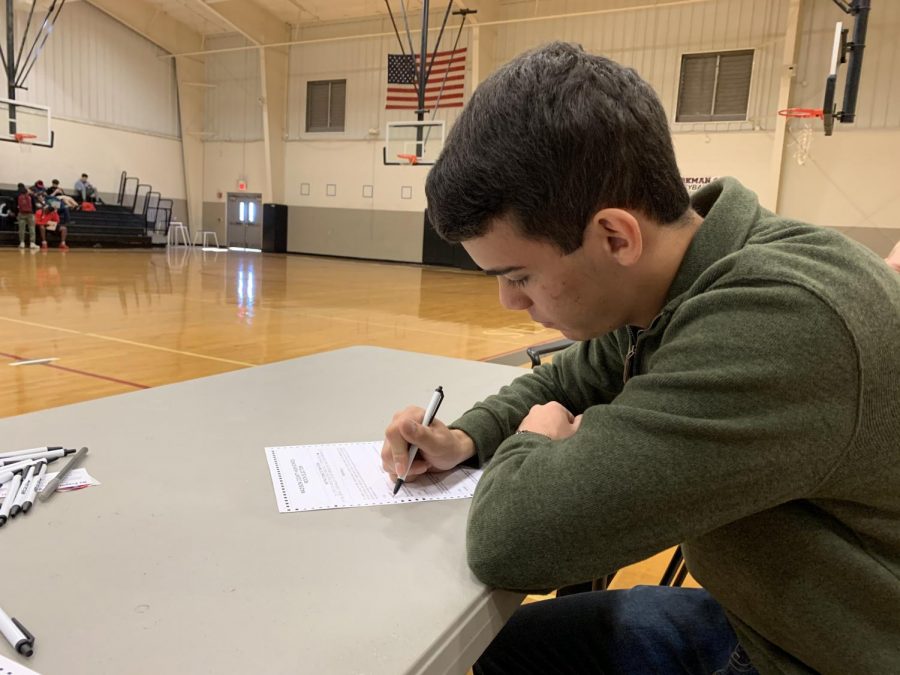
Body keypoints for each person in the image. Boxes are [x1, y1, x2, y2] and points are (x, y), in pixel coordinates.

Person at [380, 43, 900, 674]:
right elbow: (577, 377)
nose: (508, 301)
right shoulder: (689, 275)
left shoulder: (781, 322)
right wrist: (464, 436)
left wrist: (531, 442)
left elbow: (512, 541)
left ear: (615, 236)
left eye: (519, 275)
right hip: (767, 617)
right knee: (510, 650)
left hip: (822, 656)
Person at [15, 183, 39, 250]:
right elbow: (34, 205)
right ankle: (32, 243)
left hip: (21, 213)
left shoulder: (17, 195)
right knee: (31, 228)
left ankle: (22, 243)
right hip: (30, 214)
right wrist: (33, 213)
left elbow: (16, 205)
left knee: (21, 229)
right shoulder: (31, 196)